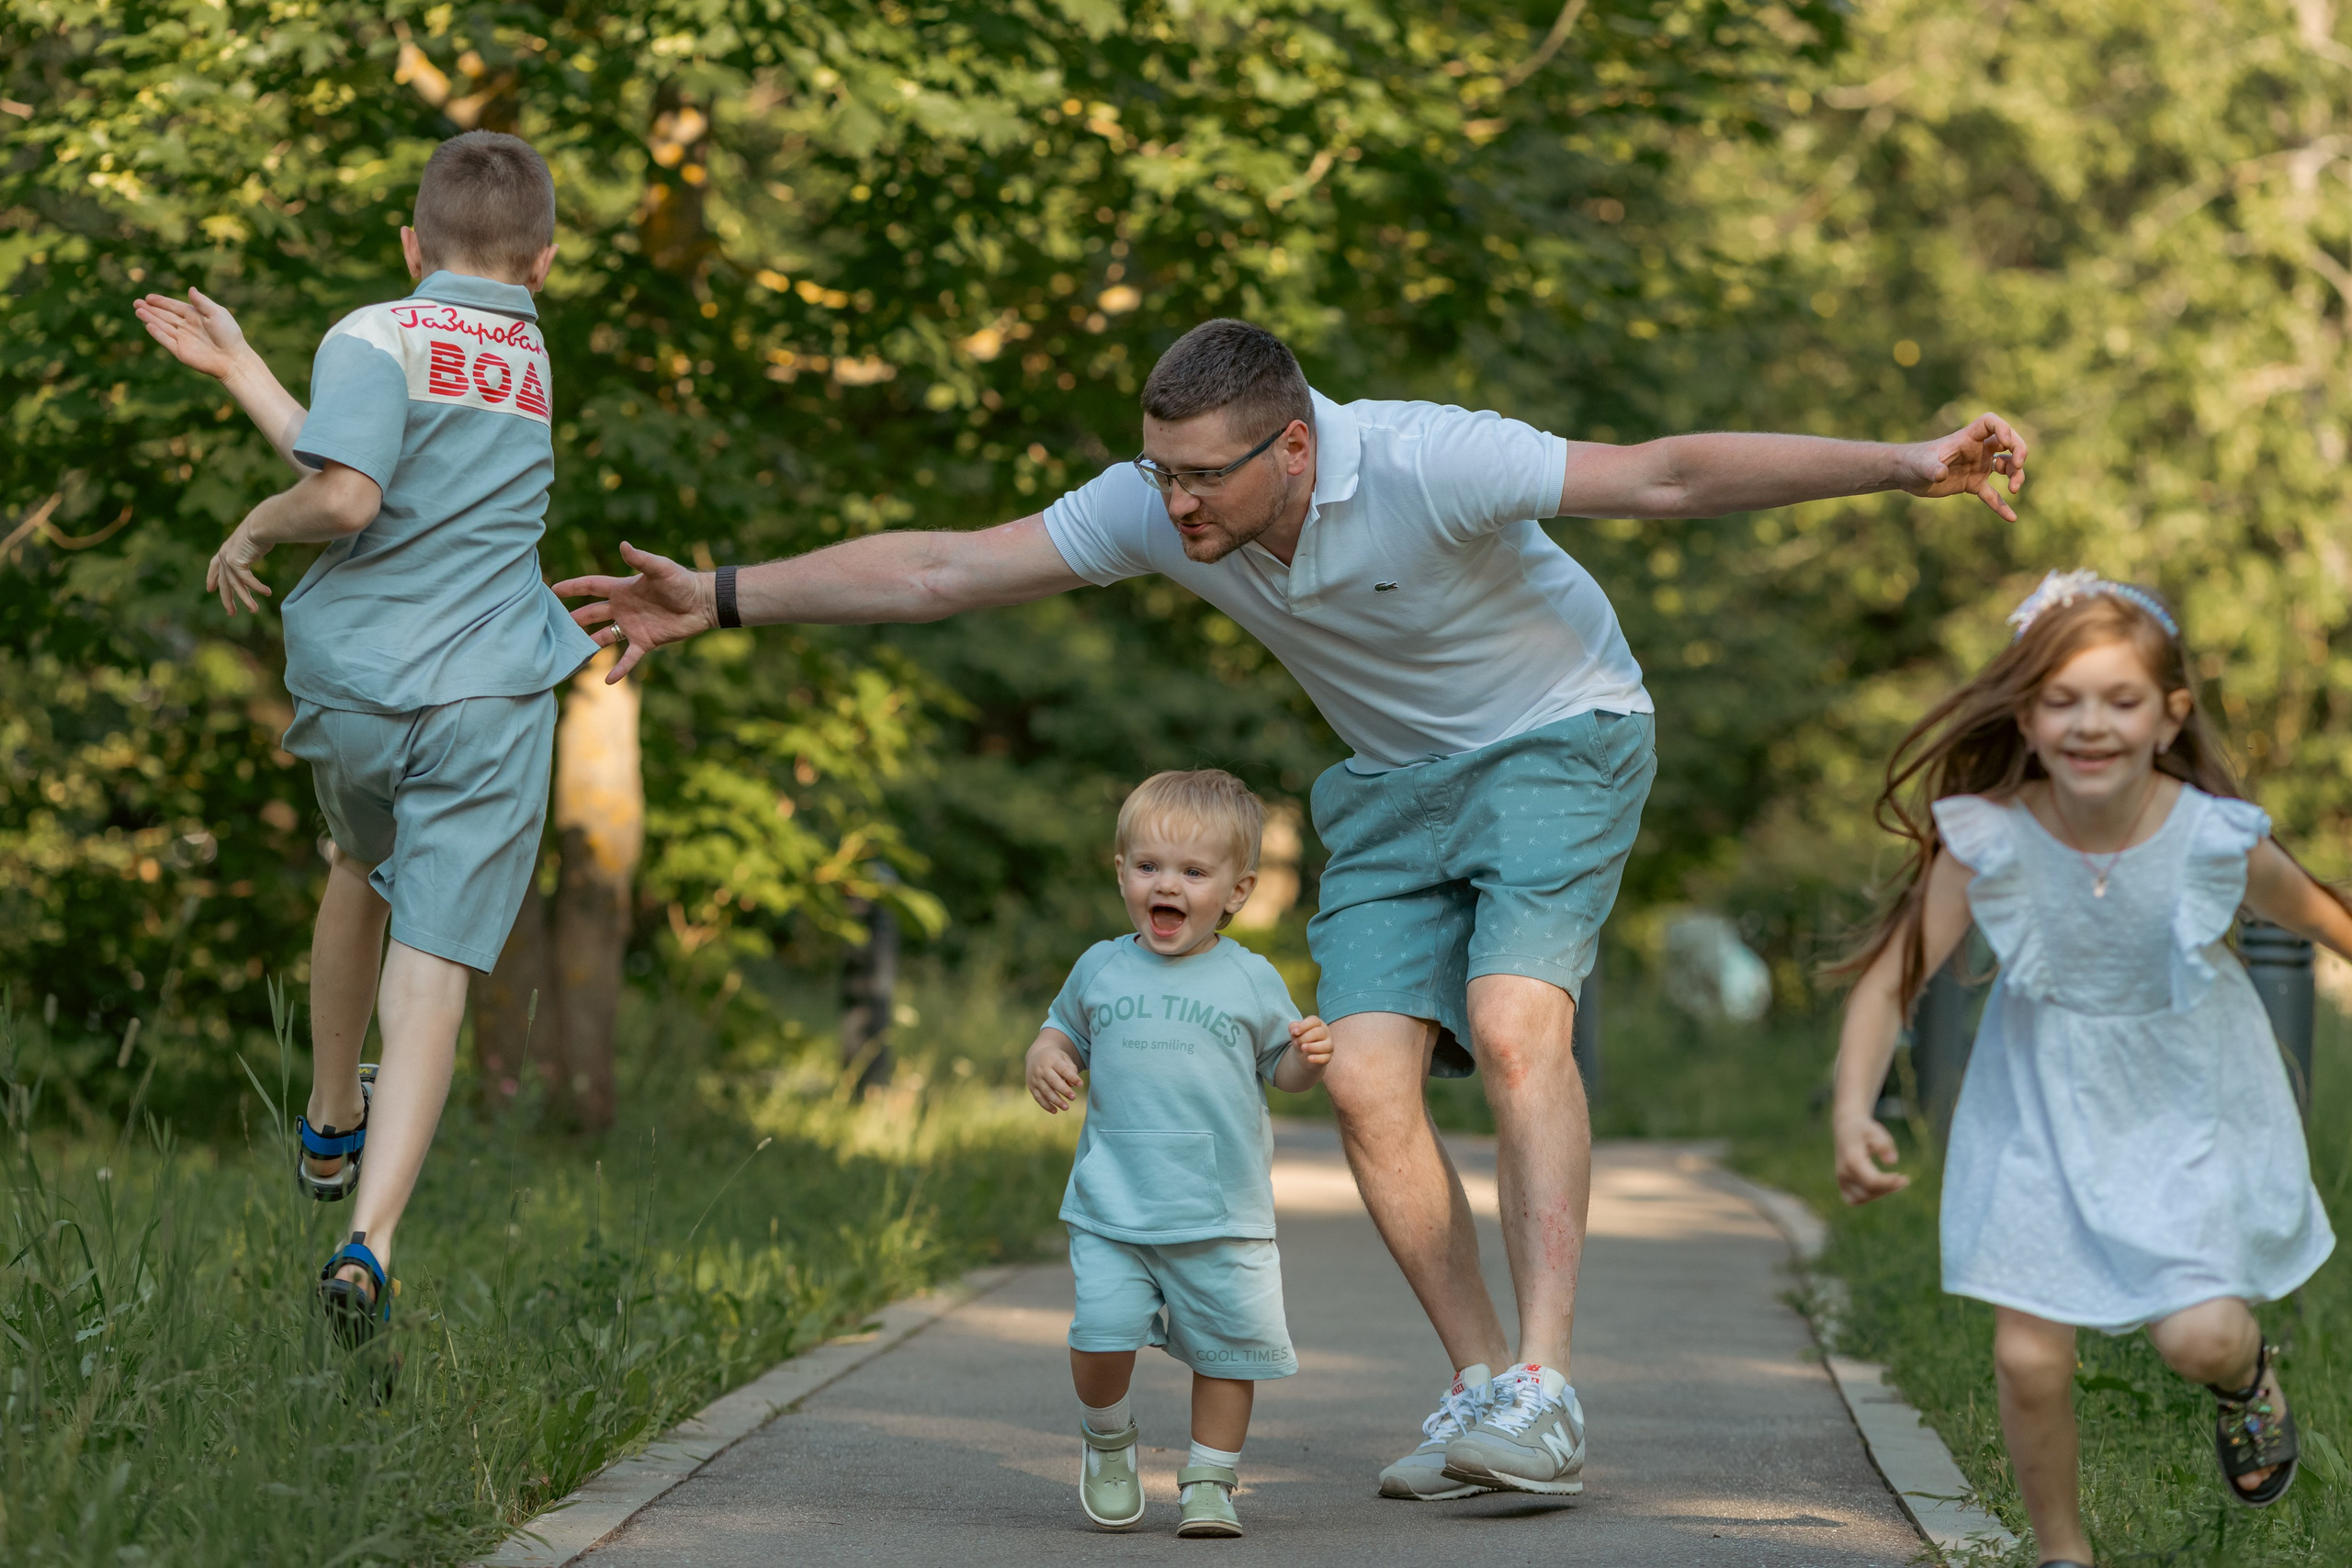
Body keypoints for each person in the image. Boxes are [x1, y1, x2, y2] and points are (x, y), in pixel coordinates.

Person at [558, 317, 2028, 1495]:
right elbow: (950, 566)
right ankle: (1476, 1382)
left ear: (1297, 443)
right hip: (1390, 779)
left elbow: (1663, 475)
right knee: (1367, 1077)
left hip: (1562, 732)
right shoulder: (1157, 504)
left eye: (1204, 476)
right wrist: (727, 595)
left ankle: (1551, 1385)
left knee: (1519, 1024)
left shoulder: (1430, 459)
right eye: (1161, 472)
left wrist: (1903, 462)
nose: (1174, 501)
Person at [133, 131, 595, 1341]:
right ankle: (370, 1239)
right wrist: (242, 367)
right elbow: (362, 464)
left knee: (355, 864)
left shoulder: (374, 329)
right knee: (433, 959)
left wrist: (250, 524)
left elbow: (344, 489)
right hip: (492, 691)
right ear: (542, 261)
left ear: (409, 244)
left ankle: (332, 1113)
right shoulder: (532, 350)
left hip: (362, 688)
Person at [1830, 572, 2341, 1563]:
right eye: (2061, 701)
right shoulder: (1991, 843)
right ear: (2025, 717)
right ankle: (2065, 1555)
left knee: (2197, 1337)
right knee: (2026, 1358)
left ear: (2168, 716)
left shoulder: (2209, 839)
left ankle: (2246, 1384)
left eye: (2119, 701)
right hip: (2038, 1116)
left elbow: (2330, 921)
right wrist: (1854, 1108)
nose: (2089, 725)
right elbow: (1889, 985)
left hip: (2190, 1109)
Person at [1023, 769, 1334, 1537]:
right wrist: (1045, 1052)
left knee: (1229, 1356)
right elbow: (1062, 1029)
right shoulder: (1099, 965)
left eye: (1195, 872)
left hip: (1222, 1211)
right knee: (1098, 1334)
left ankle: (1208, 1478)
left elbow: (1281, 1074)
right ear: (1122, 871)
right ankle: (1107, 1435)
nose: (1169, 884)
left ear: (1237, 890)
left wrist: (1308, 1055)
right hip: (1114, 1203)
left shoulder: (1251, 978)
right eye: (1150, 866)